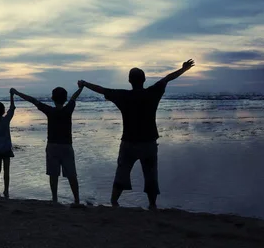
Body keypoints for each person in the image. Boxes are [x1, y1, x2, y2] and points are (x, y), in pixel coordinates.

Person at [79, 59, 195, 210]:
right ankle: (152, 205)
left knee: (122, 172)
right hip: (149, 142)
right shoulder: (152, 93)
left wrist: (84, 83)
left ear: (129, 81)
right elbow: (168, 78)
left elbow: (102, 90)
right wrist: (184, 69)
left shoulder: (123, 96)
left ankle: (114, 202)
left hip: (129, 142)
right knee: (151, 174)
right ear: (144, 79)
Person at [11, 85, 84, 206]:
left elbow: (33, 100)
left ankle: (54, 198)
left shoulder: (50, 110)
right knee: (71, 174)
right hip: (66, 146)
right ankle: (77, 200)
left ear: (52, 98)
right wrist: (82, 87)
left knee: (53, 174)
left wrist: (17, 93)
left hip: (52, 146)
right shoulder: (68, 109)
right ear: (65, 99)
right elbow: (75, 97)